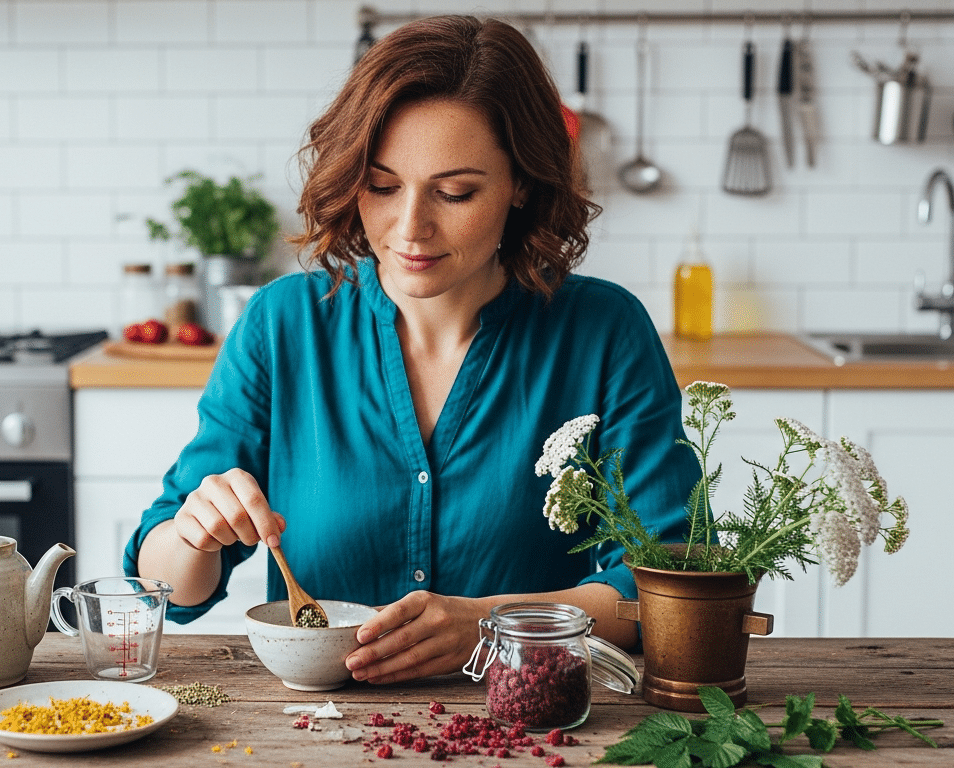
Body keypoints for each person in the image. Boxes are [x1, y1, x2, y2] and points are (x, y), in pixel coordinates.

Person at [124, 14, 700, 685]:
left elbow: (667, 581)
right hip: (319, 733)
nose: (410, 228)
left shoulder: (605, 330)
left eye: (455, 192)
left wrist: (490, 623)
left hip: (536, 722)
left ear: (521, 185)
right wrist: (195, 531)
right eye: (382, 185)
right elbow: (167, 586)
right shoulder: (283, 324)